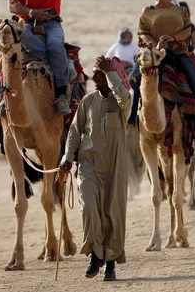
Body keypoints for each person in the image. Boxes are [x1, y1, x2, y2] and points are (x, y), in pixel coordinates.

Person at [60, 55, 132, 281]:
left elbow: (123, 96)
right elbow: (74, 131)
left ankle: (110, 262)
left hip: (114, 167)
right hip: (89, 164)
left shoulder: (123, 103)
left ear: (111, 76)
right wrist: (67, 156)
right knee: (89, 207)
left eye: (98, 74)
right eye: (94, 73)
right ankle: (95, 254)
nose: (93, 78)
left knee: (112, 214)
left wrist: (109, 71)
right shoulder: (87, 101)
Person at [128, 0, 195, 143]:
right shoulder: (147, 11)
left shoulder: (180, 11)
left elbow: (187, 30)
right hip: (153, 51)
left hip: (177, 51)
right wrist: (156, 44)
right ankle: (132, 117)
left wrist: (171, 38)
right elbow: (142, 31)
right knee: (134, 79)